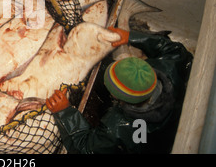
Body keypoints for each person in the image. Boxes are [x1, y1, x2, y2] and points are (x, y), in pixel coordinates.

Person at [46, 27, 193, 154]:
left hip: (154, 145)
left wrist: (65, 112)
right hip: (169, 115)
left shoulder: (118, 126)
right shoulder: (169, 67)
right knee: (98, 66)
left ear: (117, 97)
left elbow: (85, 149)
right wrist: (130, 37)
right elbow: (174, 50)